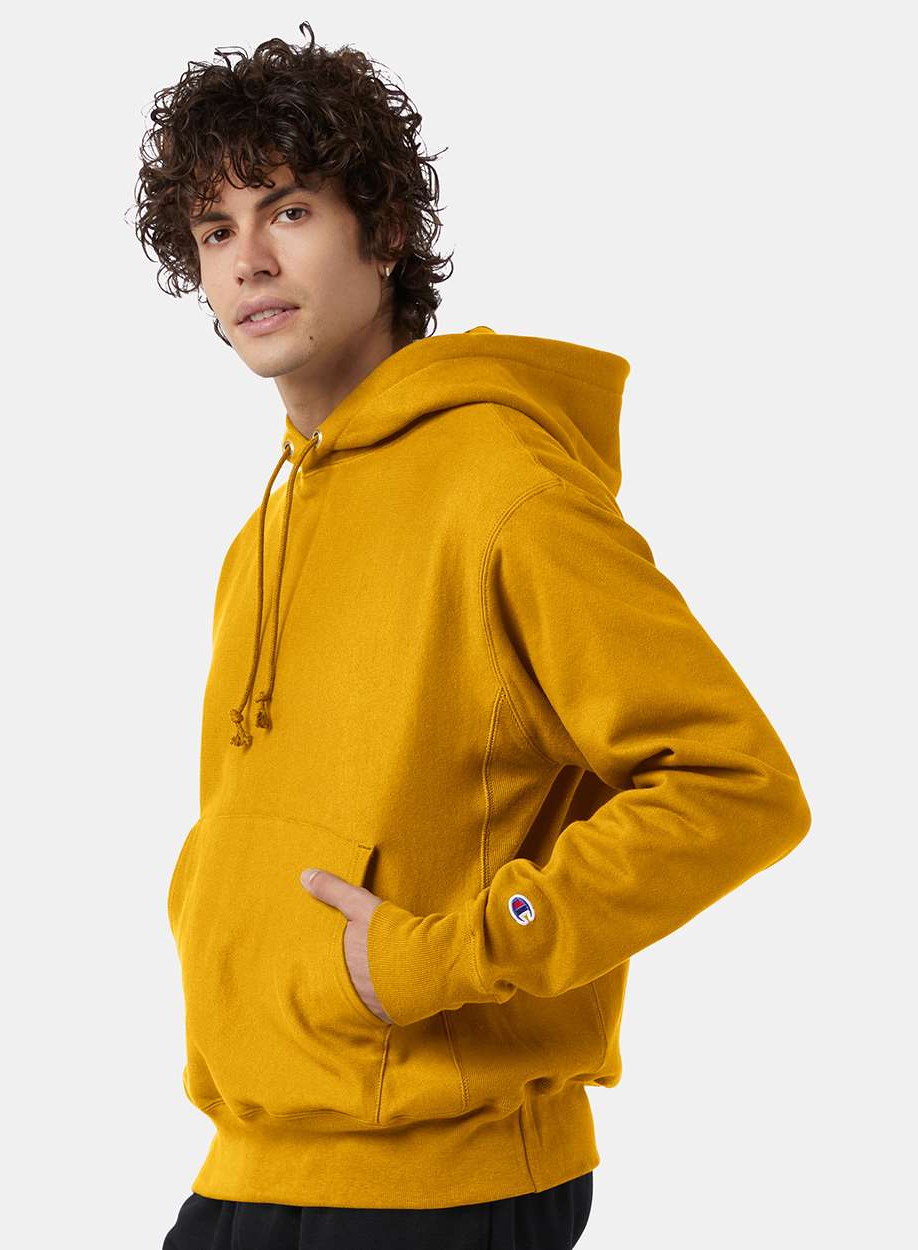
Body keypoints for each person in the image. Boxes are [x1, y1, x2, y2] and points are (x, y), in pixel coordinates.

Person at [133, 23, 811, 1250]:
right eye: (215, 229)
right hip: (253, 1159)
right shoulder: (264, 532)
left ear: (385, 231)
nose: (248, 261)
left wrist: (450, 954)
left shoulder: (501, 484)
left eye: (289, 211)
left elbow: (735, 785)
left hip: (440, 1182)